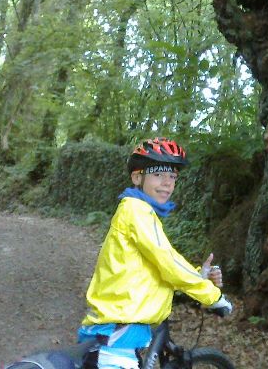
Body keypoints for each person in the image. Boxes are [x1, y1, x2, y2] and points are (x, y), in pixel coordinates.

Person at [78, 137, 232, 369]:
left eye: (172, 177)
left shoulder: (141, 212)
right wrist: (212, 297)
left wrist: (199, 275)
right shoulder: (136, 211)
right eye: (158, 174)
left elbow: (160, 262)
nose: (167, 183)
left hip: (120, 335)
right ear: (137, 177)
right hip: (114, 340)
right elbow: (167, 261)